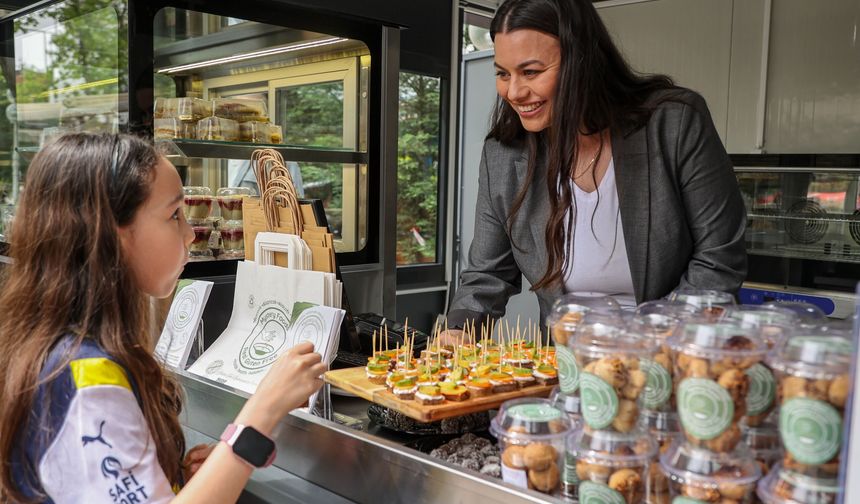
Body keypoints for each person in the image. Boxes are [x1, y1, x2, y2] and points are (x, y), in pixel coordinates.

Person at [0, 133, 327, 503]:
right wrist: (263, 409)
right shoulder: (87, 378)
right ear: (111, 233)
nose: (190, 233)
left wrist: (177, 482)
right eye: (174, 215)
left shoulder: (61, 348)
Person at [446, 0, 747, 333]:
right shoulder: (504, 154)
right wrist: (458, 329)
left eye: (530, 72)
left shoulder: (674, 123)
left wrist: (656, 342)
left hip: (671, 351)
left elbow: (719, 257)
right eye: (503, 73)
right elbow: (488, 274)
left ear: (581, 61)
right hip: (566, 363)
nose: (514, 92)